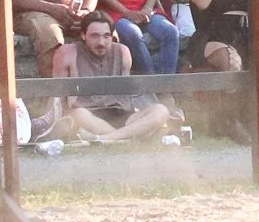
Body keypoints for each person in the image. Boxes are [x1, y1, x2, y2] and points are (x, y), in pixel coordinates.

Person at [37, 14, 175, 145]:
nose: (101, 42)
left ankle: (106, 139)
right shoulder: (68, 53)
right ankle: (130, 137)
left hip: (122, 115)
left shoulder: (122, 51)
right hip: (88, 115)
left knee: (161, 110)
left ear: (112, 36)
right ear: (83, 35)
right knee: (77, 115)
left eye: (106, 36)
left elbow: (127, 95)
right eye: (95, 36)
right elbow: (56, 96)